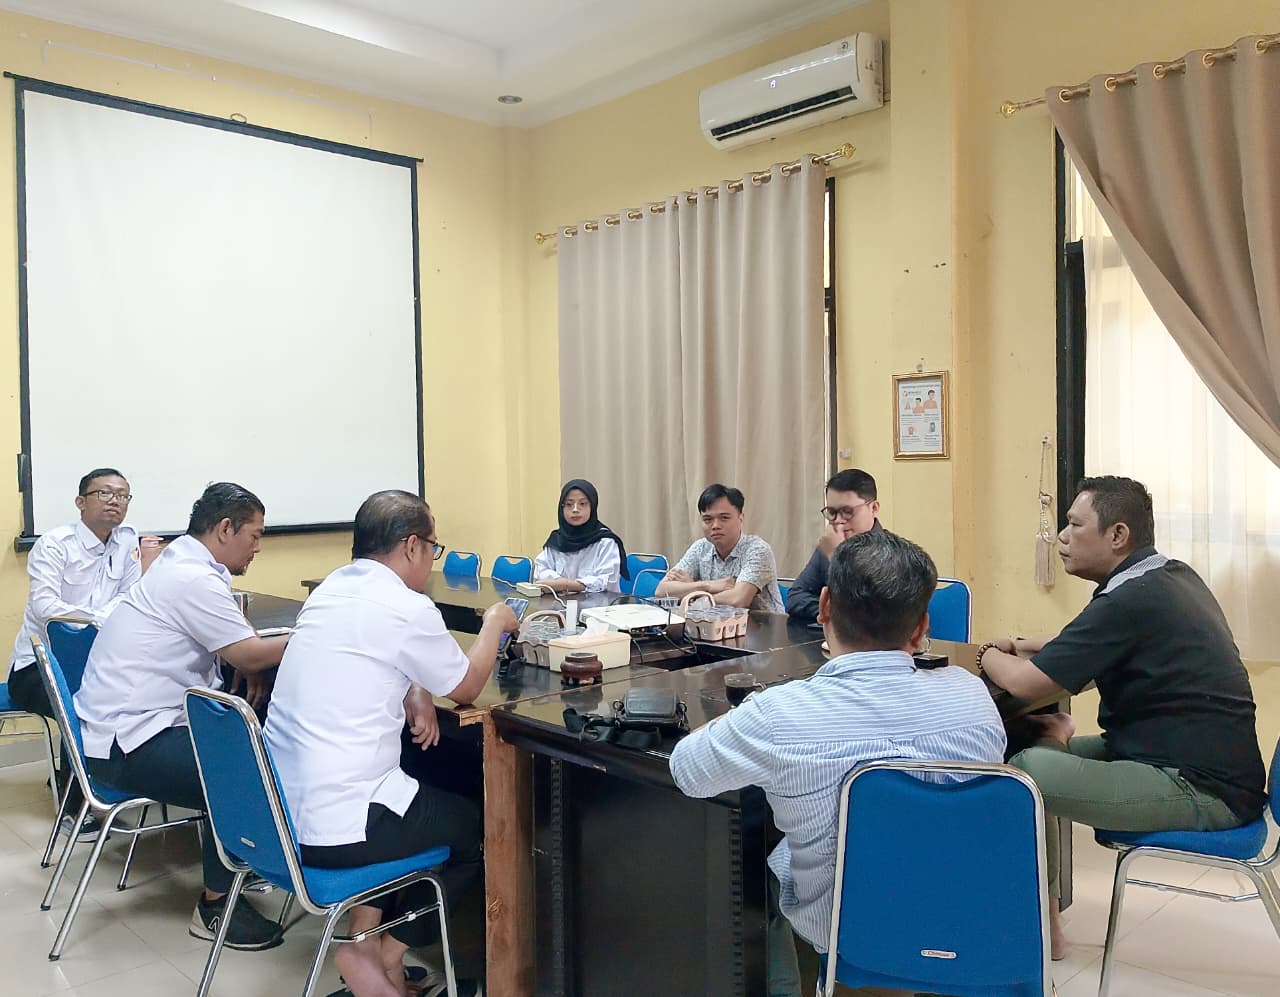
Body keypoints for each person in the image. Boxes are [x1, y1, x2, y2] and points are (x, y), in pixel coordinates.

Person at [670, 530, 1005, 994]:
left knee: (754, 864)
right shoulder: (971, 695)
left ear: (823, 607)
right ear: (922, 628)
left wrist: (739, 716)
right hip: (972, 920)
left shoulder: (778, 715)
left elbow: (687, 771)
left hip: (851, 932)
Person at [976, 476, 1266, 961]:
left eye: (1073, 524)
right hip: (1172, 756)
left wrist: (986, 652)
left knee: (1022, 773)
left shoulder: (1129, 599)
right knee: (1023, 751)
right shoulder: (1167, 576)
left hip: (1199, 787)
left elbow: (1026, 684)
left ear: (1117, 535)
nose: (1061, 537)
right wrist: (1024, 644)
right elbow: (1083, 646)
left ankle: (1037, 922)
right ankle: (1046, 917)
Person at [266, 491, 517, 997]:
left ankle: (368, 942)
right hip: (339, 827)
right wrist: (495, 622)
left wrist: (415, 688)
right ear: (410, 546)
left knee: (410, 785)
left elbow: (368, 658)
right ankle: (382, 950)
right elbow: (467, 686)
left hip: (278, 813)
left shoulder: (330, 591)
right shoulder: (405, 606)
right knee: (478, 831)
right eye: (433, 547)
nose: (432, 559)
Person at [76, 482, 291, 951]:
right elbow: (249, 652)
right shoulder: (191, 577)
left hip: (122, 727)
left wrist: (243, 657)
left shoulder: (183, 563)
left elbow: (236, 643)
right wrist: (308, 633)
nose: (257, 547)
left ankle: (242, 858)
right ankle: (215, 908)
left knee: (240, 740)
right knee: (237, 768)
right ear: (225, 528)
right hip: (127, 743)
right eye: (254, 535)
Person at [7, 468, 149, 839]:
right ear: (81, 502)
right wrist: (102, 616)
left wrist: (104, 616)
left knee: (133, 695)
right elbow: (45, 608)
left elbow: (132, 597)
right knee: (83, 704)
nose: (114, 501)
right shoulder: (55, 544)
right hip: (37, 668)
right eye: (104, 493)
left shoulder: (127, 541)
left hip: (95, 662)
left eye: (122, 495)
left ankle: (102, 785)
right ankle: (76, 805)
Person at [657, 484, 784, 612]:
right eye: (708, 519)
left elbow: (738, 600)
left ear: (741, 519)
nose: (715, 525)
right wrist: (707, 585)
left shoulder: (758, 550)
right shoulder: (700, 548)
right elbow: (661, 591)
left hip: (763, 628)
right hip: (712, 627)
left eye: (724, 518)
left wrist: (692, 594)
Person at [787, 468, 881, 625]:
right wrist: (830, 612)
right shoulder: (827, 548)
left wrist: (836, 557)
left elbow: (869, 613)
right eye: (832, 512)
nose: (838, 520)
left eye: (847, 511)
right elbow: (795, 597)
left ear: (874, 508)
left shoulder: (893, 553)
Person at [532, 479, 628, 594]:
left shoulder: (605, 542)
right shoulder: (556, 540)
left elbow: (606, 581)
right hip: (560, 605)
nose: (575, 509)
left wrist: (564, 585)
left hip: (599, 608)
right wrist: (567, 584)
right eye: (569, 504)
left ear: (592, 506)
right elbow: (539, 572)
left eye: (582, 504)